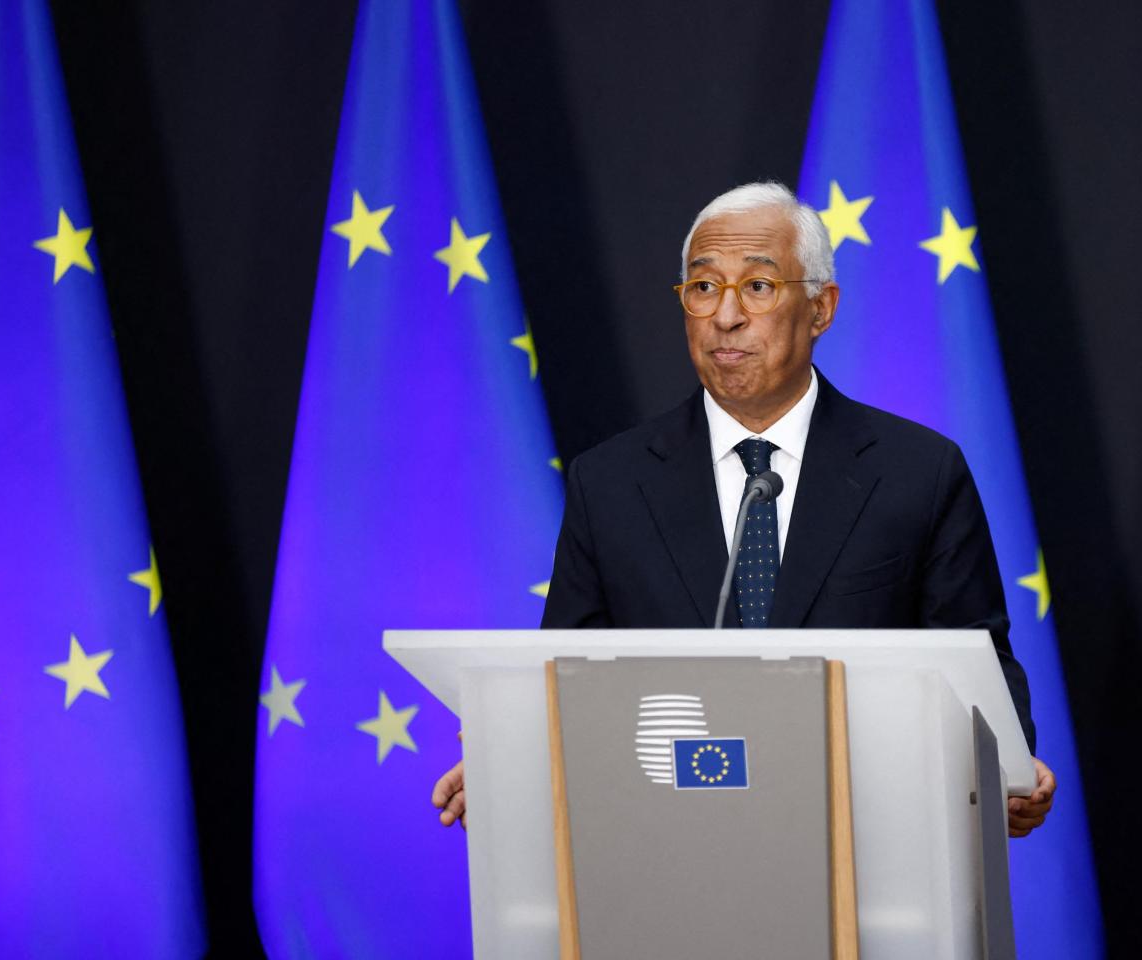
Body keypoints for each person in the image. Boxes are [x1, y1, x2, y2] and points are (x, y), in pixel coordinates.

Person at [433, 181, 1056, 836]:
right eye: (703, 288)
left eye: (757, 287)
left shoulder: (918, 473)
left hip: (869, 840)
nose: (725, 316)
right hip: (668, 847)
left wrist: (1007, 769)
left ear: (821, 308)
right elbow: (566, 675)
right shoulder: (611, 482)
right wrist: (511, 757)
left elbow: (976, 660)